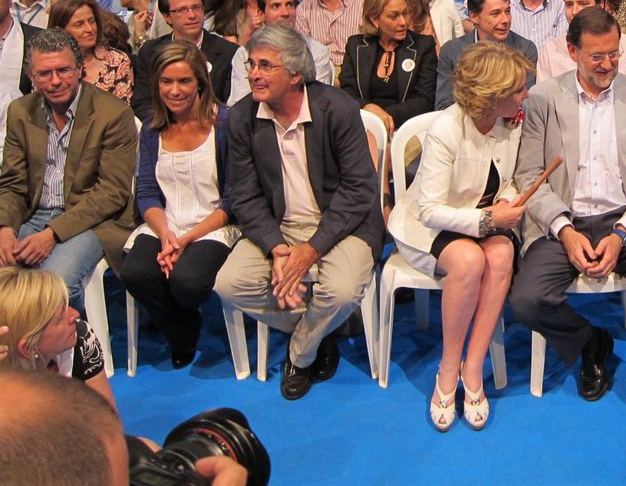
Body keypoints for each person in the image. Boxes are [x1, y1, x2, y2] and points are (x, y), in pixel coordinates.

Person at [510, 7, 626, 434]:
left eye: (613, 54)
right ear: (573, 52)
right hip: (563, 218)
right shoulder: (543, 98)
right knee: (526, 300)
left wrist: (622, 232)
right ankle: (591, 341)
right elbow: (529, 175)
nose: (608, 64)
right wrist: (564, 230)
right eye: (596, 56)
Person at [215, 25, 383, 400]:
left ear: (295, 74)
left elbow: (359, 189)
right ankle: (322, 330)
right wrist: (276, 248)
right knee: (229, 284)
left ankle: (301, 354)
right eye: (251, 65)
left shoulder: (336, 108)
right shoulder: (241, 117)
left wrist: (311, 249)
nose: (254, 74)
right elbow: (244, 195)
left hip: (342, 224)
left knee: (341, 292)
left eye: (265, 65)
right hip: (279, 225)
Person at [392, 42, 533, 431]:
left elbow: (507, 179)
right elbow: (429, 209)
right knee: (469, 261)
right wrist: (489, 219)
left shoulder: (510, 122)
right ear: (492, 96)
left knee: (501, 256)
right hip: (429, 227)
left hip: (483, 216)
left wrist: (505, 201)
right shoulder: (446, 129)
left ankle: (473, 368)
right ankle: (447, 369)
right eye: (518, 90)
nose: (525, 95)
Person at [118, 43, 236, 369]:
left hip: (214, 223)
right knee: (136, 272)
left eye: (184, 81)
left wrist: (186, 239)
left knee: (187, 281)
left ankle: (176, 314)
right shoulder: (152, 129)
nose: (174, 90)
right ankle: (184, 330)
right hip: (166, 222)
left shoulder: (225, 124)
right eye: (166, 82)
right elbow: (146, 192)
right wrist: (167, 235)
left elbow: (232, 199)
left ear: (200, 83)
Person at [0, 29, 137, 308]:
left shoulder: (113, 114)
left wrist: (52, 234)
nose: (55, 81)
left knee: (56, 284)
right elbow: (13, 183)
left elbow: (111, 192)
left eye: (63, 70)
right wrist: (4, 227)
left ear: (79, 69)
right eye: (44, 74)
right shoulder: (20, 111)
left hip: (91, 219)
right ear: (31, 76)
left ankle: (71, 336)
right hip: (33, 214)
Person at [0, 268, 114, 408]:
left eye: (67, 305)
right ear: (28, 348)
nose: (75, 314)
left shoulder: (80, 335)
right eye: (61, 317)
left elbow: (107, 416)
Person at [340, 0, 436, 138]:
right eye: (394, 16)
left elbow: (424, 99)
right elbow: (347, 93)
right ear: (374, 19)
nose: (403, 22)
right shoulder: (356, 45)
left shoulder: (423, 46)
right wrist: (368, 109)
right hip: (363, 124)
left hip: (405, 127)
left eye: (405, 13)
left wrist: (384, 117)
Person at [132, 0, 239, 120]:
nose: (192, 15)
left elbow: (231, 106)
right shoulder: (150, 52)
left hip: (212, 126)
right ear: (166, 17)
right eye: (182, 10)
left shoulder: (229, 52)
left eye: (196, 7)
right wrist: (173, 125)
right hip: (164, 126)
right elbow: (142, 104)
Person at [436, 0, 537, 111]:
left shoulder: (525, 49)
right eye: (496, 14)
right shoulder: (452, 51)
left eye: (507, 11)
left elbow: (524, 102)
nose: (506, 20)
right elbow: (444, 105)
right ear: (474, 17)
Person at [536, 0, 626, 82]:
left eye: (583, 4)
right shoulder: (550, 51)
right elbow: (543, 92)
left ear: (600, 6)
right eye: (569, 5)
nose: (574, 11)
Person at [46, 0, 132, 105]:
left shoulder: (117, 60)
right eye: (79, 24)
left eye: (91, 21)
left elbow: (122, 110)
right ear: (60, 31)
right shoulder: (44, 63)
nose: (90, 29)